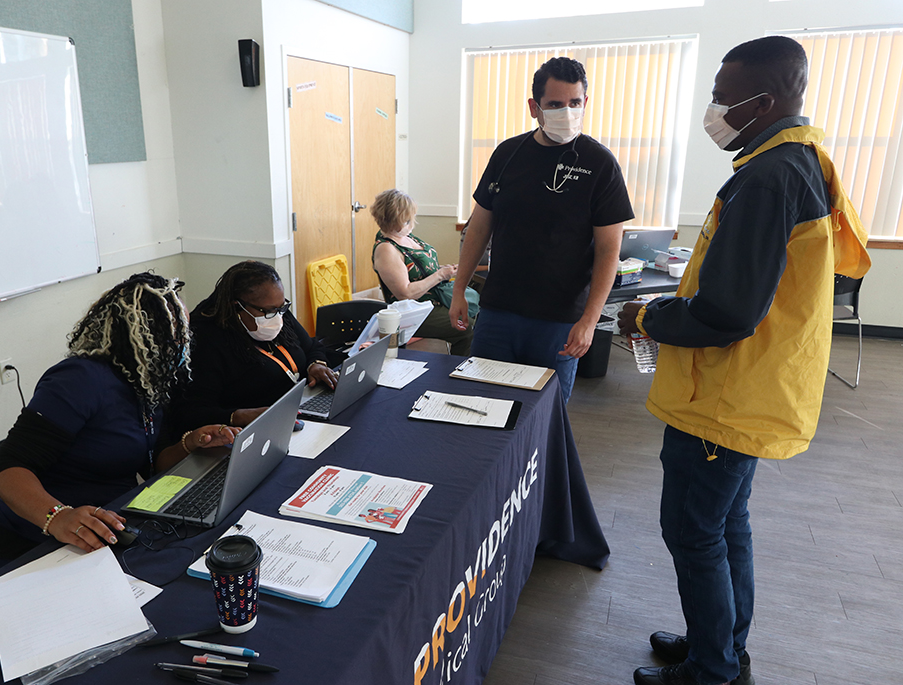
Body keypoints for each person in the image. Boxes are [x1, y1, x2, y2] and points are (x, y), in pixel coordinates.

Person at [618, 37, 870, 685]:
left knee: (696, 531)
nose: (714, 110)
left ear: (766, 99)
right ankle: (722, 644)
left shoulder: (769, 178)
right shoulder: (796, 160)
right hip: (751, 390)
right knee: (727, 524)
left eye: (723, 99)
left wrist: (645, 316)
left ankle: (712, 669)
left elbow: (727, 311)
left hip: (725, 397)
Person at [0, 273, 238, 572]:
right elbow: (5, 469)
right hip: (38, 540)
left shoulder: (147, 383)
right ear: (145, 336)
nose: (185, 343)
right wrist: (58, 516)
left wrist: (190, 444)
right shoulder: (78, 380)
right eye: (177, 334)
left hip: (108, 526)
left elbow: (152, 466)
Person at [449, 56, 634, 403]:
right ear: (535, 107)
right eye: (555, 105)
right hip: (499, 312)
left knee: (545, 416)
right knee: (481, 404)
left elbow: (609, 249)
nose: (567, 112)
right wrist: (460, 289)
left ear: (585, 102)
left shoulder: (600, 164)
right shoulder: (507, 155)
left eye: (574, 103)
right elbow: (479, 227)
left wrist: (590, 320)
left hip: (559, 321)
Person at [181, 260, 337, 429]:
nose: (278, 317)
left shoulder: (277, 312)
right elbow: (194, 412)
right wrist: (239, 416)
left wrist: (316, 364)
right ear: (236, 307)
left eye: (281, 308)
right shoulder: (205, 340)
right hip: (250, 430)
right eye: (269, 311)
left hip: (297, 412)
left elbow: (312, 347)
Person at [370, 188, 476, 356]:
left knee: (477, 312)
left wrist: (442, 270)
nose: (413, 222)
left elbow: (418, 270)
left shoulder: (405, 235)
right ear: (398, 220)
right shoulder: (386, 250)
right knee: (466, 326)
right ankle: (458, 371)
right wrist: (440, 275)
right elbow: (405, 293)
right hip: (415, 309)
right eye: (408, 219)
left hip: (434, 300)